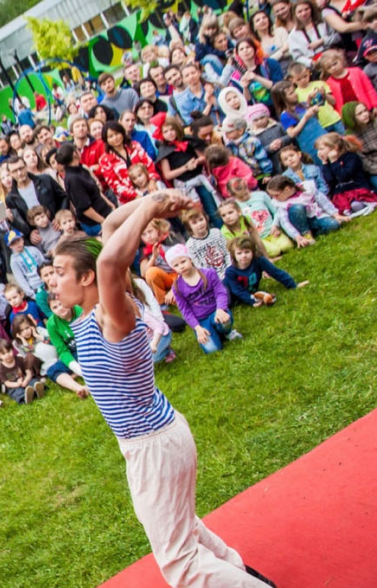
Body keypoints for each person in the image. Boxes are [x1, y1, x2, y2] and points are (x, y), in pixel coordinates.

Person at [51, 194, 274, 587]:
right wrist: (151, 202)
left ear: (86, 278)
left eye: (58, 272)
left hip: (152, 446)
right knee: (183, 529)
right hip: (156, 438)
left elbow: (109, 262)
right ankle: (238, 571)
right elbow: (110, 228)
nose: (51, 281)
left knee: (179, 563)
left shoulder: (113, 315)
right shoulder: (98, 310)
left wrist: (152, 208)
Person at [167, 244, 240, 355]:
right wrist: (197, 328)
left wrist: (221, 309)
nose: (181, 266)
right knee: (212, 349)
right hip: (201, 321)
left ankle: (227, 332)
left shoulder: (209, 273)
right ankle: (214, 334)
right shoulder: (177, 287)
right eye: (176, 265)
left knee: (224, 321)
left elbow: (220, 292)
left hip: (216, 311)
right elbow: (185, 310)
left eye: (183, 261)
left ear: (190, 259)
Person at [224, 236, 309, 308]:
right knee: (227, 303)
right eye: (239, 253)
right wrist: (252, 301)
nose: (244, 255)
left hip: (248, 292)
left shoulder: (259, 261)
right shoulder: (230, 272)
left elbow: (276, 272)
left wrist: (293, 285)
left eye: (247, 252)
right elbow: (238, 290)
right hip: (228, 291)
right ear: (233, 255)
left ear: (253, 252)